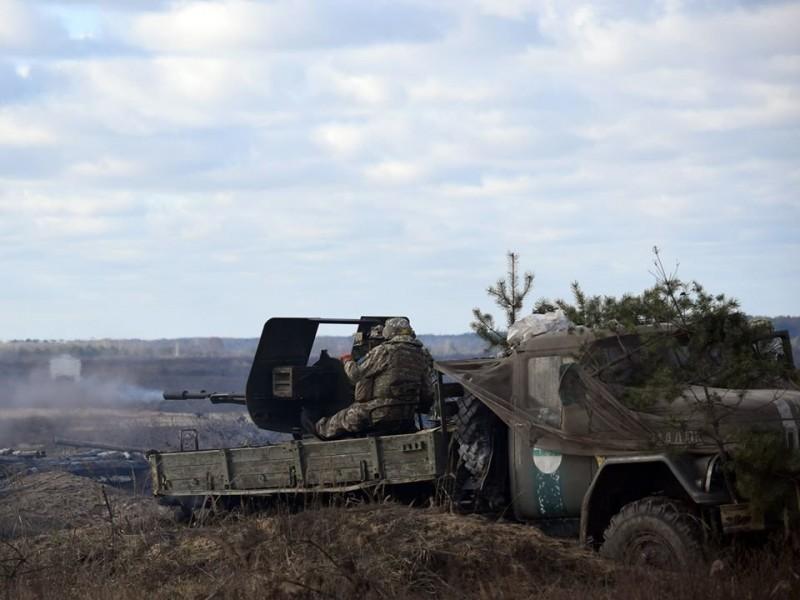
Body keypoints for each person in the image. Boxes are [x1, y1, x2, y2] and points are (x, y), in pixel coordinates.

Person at [308, 317, 434, 439]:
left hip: (379, 413)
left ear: (389, 332)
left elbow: (354, 375)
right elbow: (427, 393)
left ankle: (317, 430)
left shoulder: (384, 351)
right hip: (407, 415)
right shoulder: (421, 354)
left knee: (336, 421)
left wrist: (347, 360)